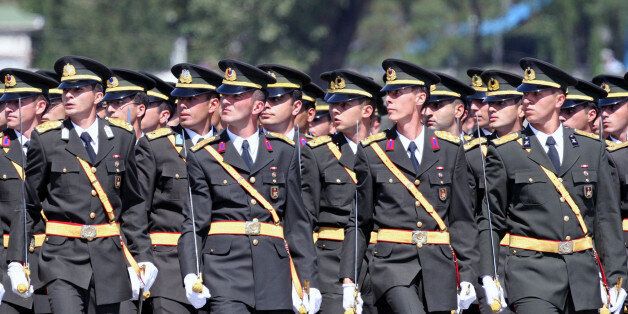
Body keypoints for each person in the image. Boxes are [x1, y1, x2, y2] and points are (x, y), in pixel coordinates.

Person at [6, 56, 157, 314]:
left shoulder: (121, 137)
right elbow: (28, 203)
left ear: (98, 96)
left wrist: (143, 255)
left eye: (78, 90)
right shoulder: (48, 140)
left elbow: (132, 203)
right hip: (61, 257)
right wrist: (17, 260)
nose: (69, 96)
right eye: (66, 90)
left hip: (108, 258)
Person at [479, 58, 627, 314]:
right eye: (525, 94)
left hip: (583, 277)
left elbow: (606, 218)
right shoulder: (507, 152)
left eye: (537, 94)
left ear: (559, 99)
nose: (528, 100)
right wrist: (489, 276)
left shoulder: (592, 149)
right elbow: (491, 219)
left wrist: (616, 278)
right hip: (530, 276)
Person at [179, 59, 320, 313]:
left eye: (237, 96)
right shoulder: (204, 155)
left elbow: (297, 223)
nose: (226, 102)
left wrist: (309, 281)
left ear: (258, 106)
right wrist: (191, 273)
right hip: (224, 272)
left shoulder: (284, 152)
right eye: (224, 96)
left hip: (274, 273)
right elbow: (194, 223)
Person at [339, 59, 478, 313]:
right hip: (391, 266)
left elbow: (461, 219)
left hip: (439, 266)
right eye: (387, 94)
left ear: (420, 97)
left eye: (396, 93)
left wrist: (468, 273)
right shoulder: (373, 151)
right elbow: (359, 220)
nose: (388, 100)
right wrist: (350, 280)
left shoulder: (449, 150)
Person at [135, 62, 223, 314]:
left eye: (192, 99)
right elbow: (139, 209)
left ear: (213, 104)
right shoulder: (157, 146)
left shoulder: (226, 149)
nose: (182, 105)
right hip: (168, 263)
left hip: (218, 262)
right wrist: (142, 258)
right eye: (180, 99)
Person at [301, 69, 380, 314]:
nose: (335, 110)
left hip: (380, 258)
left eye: (344, 104)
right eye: (333, 104)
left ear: (367, 111)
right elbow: (306, 217)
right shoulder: (318, 153)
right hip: (331, 260)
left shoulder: (387, 152)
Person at [0, 68, 56, 314]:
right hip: (6, 264)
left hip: (54, 261)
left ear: (41, 106)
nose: (9, 108)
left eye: (18, 102)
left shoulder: (61, 146)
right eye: (6, 101)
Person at [258, 64, 311, 145]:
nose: (265, 105)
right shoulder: (246, 147)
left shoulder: (313, 151)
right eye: (263, 99)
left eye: (275, 99)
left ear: (296, 107)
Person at [103, 69, 155, 140]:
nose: (109, 109)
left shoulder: (153, 149)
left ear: (140, 110)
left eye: (118, 102)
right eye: (107, 103)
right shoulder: (99, 148)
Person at [422, 72, 475, 137]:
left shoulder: (476, 147)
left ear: (459, 111)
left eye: (436, 105)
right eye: (424, 106)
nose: (427, 113)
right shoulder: (416, 146)